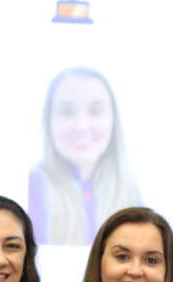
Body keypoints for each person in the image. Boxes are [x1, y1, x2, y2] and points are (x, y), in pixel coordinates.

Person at [28, 66, 141, 245]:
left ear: (113, 119)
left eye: (95, 111)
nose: (82, 126)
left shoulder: (132, 192)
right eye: (67, 112)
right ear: (49, 120)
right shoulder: (29, 189)